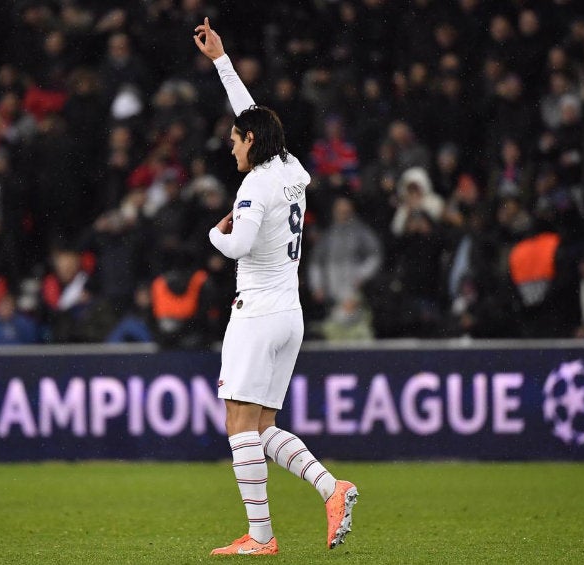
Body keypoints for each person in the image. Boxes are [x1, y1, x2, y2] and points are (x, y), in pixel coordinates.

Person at [193, 18, 357, 557]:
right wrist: (221, 60)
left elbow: (237, 247)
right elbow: (251, 112)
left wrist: (213, 235)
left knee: (239, 427)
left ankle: (261, 538)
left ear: (252, 143)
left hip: (257, 312)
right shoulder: (291, 168)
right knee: (262, 429)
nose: (230, 143)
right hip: (290, 315)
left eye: (236, 139)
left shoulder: (253, 186)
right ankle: (332, 490)